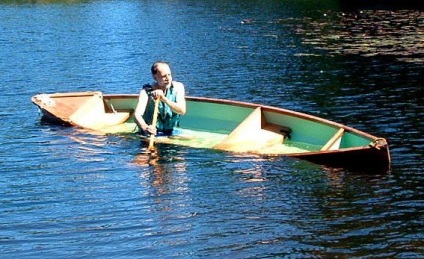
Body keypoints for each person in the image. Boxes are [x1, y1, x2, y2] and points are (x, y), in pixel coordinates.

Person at [134, 61, 186, 136]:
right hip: (151, 134)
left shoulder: (178, 87)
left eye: (169, 75)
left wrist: (164, 99)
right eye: (164, 76)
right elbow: (137, 115)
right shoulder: (145, 92)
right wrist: (145, 128)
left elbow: (182, 110)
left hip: (171, 133)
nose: (168, 79)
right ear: (154, 77)